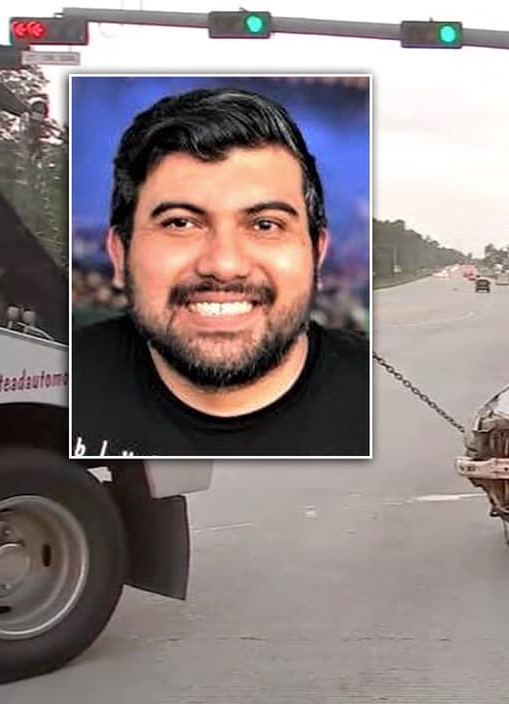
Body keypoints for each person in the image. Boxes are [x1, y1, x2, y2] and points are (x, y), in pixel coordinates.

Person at [70, 86, 370, 458]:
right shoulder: (53, 384)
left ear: (317, 254)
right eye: (180, 223)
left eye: (265, 225)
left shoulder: (380, 397)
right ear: (119, 254)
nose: (224, 265)